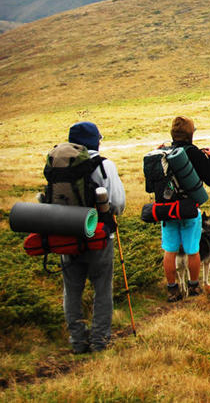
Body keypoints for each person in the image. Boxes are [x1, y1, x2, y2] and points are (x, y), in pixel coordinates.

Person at [61, 121, 126, 353]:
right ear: (95, 140)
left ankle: (77, 341)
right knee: (102, 288)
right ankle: (100, 340)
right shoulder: (104, 165)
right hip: (99, 237)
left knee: (72, 290)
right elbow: (117, 204)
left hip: (67, 235)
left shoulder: (59, 163)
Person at [157, 116, 210, 302]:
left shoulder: (163, 152)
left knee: (170, 250)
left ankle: (172, 290)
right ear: (191, 133)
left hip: (167, 209)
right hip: (190, 208)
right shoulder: (194, 153)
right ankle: (193, 287)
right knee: (193, 249)